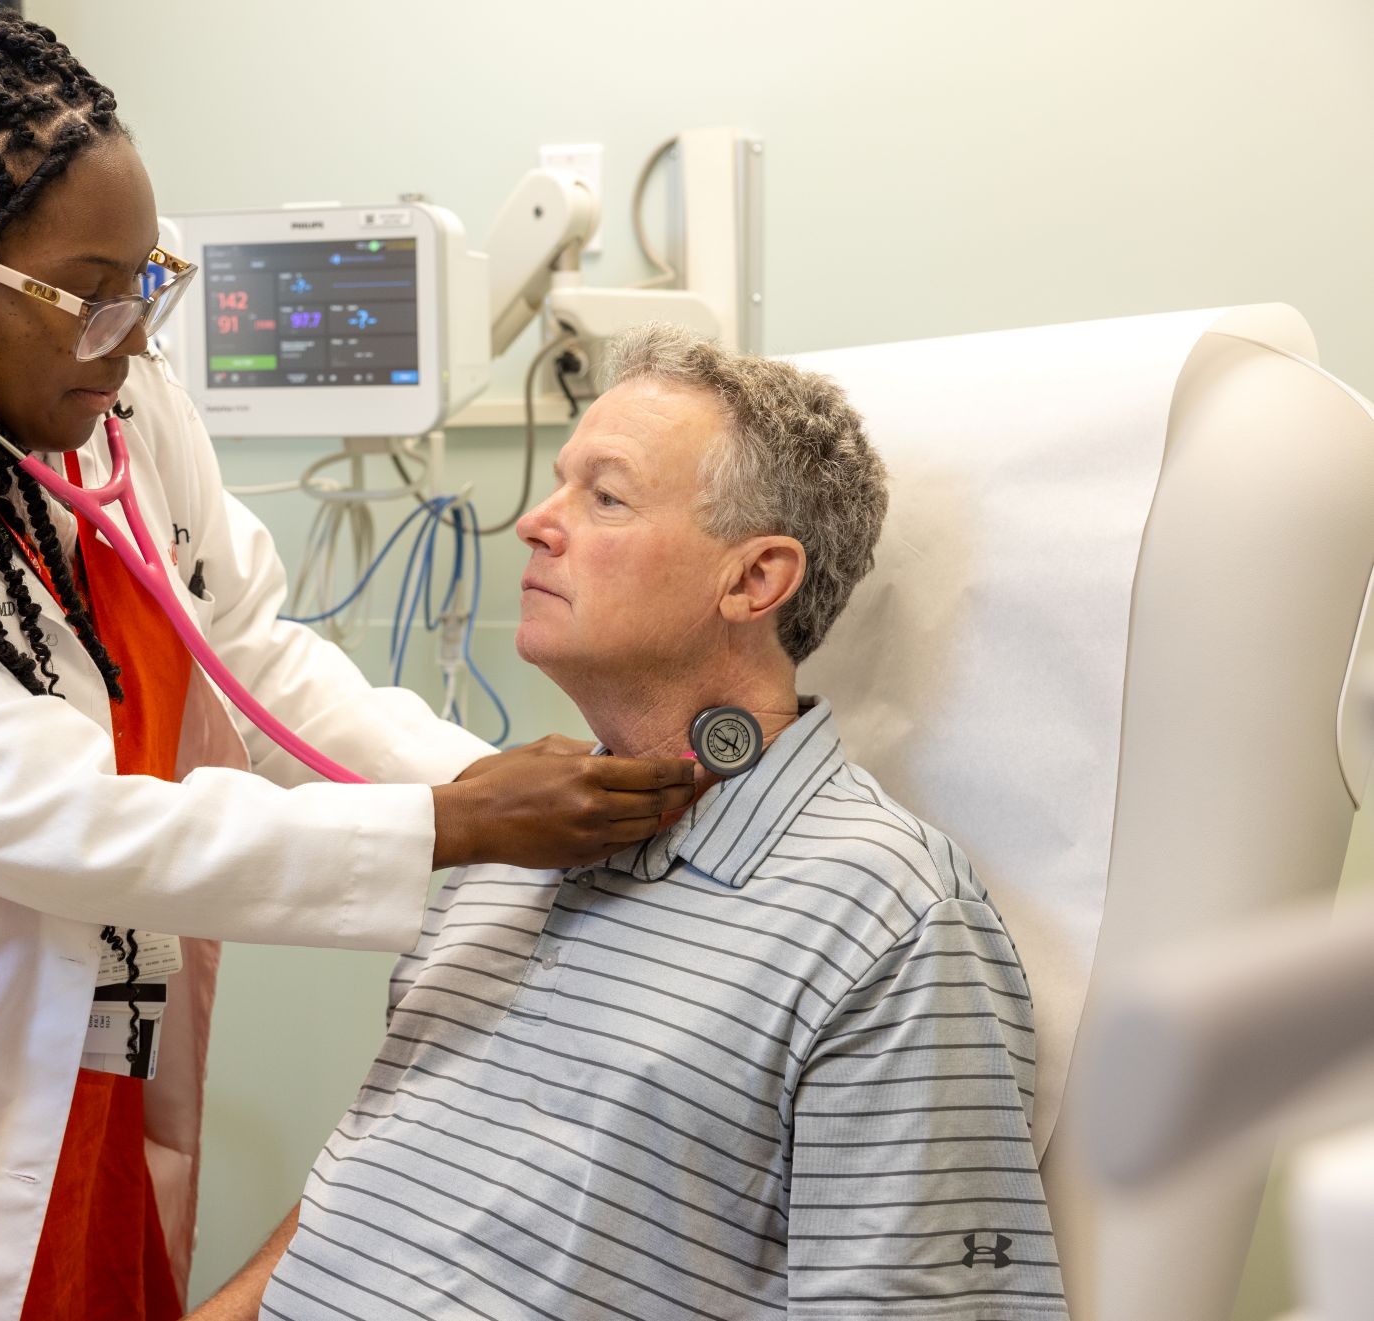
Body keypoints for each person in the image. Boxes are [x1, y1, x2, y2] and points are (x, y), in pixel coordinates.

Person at [0, 13, 699, 1321]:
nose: (128, 335)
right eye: (87, 290)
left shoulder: (115, 403)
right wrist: (456, 826)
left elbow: (249, 660)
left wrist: (490, 782)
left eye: (146, 280)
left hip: (84, 1054)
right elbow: (63, 823)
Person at [194, 324, 1069, 1320]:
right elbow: (375, 1185)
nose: (535, 521)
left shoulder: (883, 925)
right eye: (561, 483)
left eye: (603, 496)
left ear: (754, 580)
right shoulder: (512, 838)